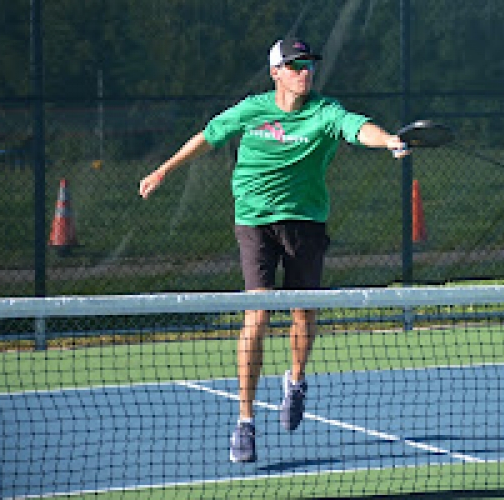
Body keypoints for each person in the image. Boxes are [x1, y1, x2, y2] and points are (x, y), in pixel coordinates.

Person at [139, 37, 410, 463]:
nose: (304, 72)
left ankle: (296, 381)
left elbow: (358, 128)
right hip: (254, 222)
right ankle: (245, 422)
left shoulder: (325, 111)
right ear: (276, 73)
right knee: (258, 315)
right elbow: (207, 137)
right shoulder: (252, 110)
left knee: (304, 314)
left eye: (308, 65)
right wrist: (162, 171)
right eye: (295, 65)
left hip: (306, 223)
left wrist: (389, 140)